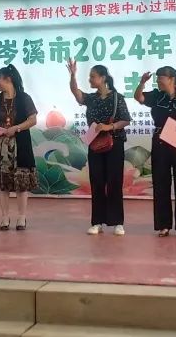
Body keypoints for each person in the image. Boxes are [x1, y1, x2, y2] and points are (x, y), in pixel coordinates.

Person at [67, 59, 131, 236]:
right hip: (95, 144)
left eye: (93, 76)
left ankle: (117, 222)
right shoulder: (91, 98)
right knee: (97, 182)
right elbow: (76, 92)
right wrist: (73, 75)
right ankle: (97, 222)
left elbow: (125, 120)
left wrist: (108, 127)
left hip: (114, 143)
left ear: (103, 78)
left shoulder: (117, 98)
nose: (90, 79)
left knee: (114, 182)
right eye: (89, 77)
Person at [135, 66, 176, 237]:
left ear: (171, 79)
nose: (158, 81)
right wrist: (142, 83)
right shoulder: (157, 96)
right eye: (157, 78)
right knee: (160, 183)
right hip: (160, 142)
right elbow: (139, 97)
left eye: (161, 77)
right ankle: (163, 225)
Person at [0, 66, 38, 231]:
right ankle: (4, 217)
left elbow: (33, 120)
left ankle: (21, 217)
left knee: (21, 182)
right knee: (2, 183)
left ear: (8, 79)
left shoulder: (24, 98)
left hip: (20, 144)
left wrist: (16, 128)